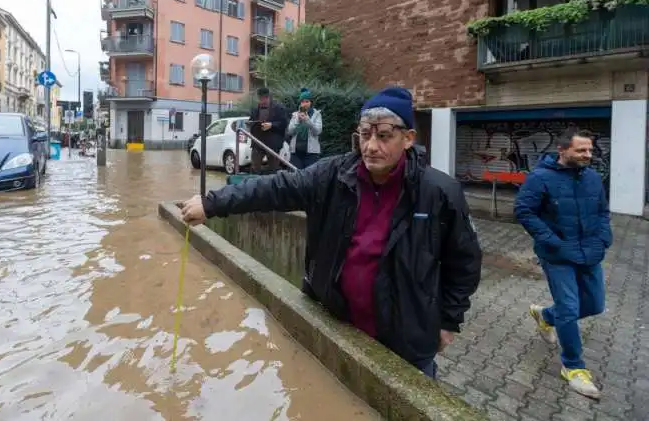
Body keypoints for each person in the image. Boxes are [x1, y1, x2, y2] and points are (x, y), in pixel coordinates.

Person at [182, 86, 482, 379]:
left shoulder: (439, 193)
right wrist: (212, 203)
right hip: (335, 322)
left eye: (384, 136)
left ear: (408, 139)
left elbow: (465, 262)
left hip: (406, 342)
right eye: (365, 134)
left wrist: (448, 321)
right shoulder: (333, 175)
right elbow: (276, 187)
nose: (371, 146)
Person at [514, 128, 610, 400]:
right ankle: (573, 367)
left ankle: (544, 316)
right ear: (563, 150)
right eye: (581, 150)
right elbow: (524, 210)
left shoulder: (592, 177)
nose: (587, 155)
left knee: (594, 304)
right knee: (569, 307)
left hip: (590, 251)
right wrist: (552, 241)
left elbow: (603, 211)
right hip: (557, 254)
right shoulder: (541, 177)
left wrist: (604, 237)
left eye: (589, 150)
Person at [248, 87, 288, 173]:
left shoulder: (279, 107)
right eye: (260, 99)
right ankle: (254, 184)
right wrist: (250, 124)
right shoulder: (255, 109)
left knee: (273, 169)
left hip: (273, 143)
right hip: (258, 142)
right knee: (255, 167)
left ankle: (272, 184)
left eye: (264, 98)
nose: (262, 101)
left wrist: (271, 125)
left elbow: (284, 123)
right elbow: (252, 120)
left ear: (268, 97)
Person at [287, 88, 323, 169]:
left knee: (310, 176)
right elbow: (290, 131)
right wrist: (298, 121)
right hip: (296, 152)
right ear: (300, 103)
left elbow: (317, 131)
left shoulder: (317, 114)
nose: (305, 104)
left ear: (311, 102)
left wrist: (307, 120)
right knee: (295, 177)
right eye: (302, 101)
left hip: (311, 153)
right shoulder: (295, 115)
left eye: (307, 101)